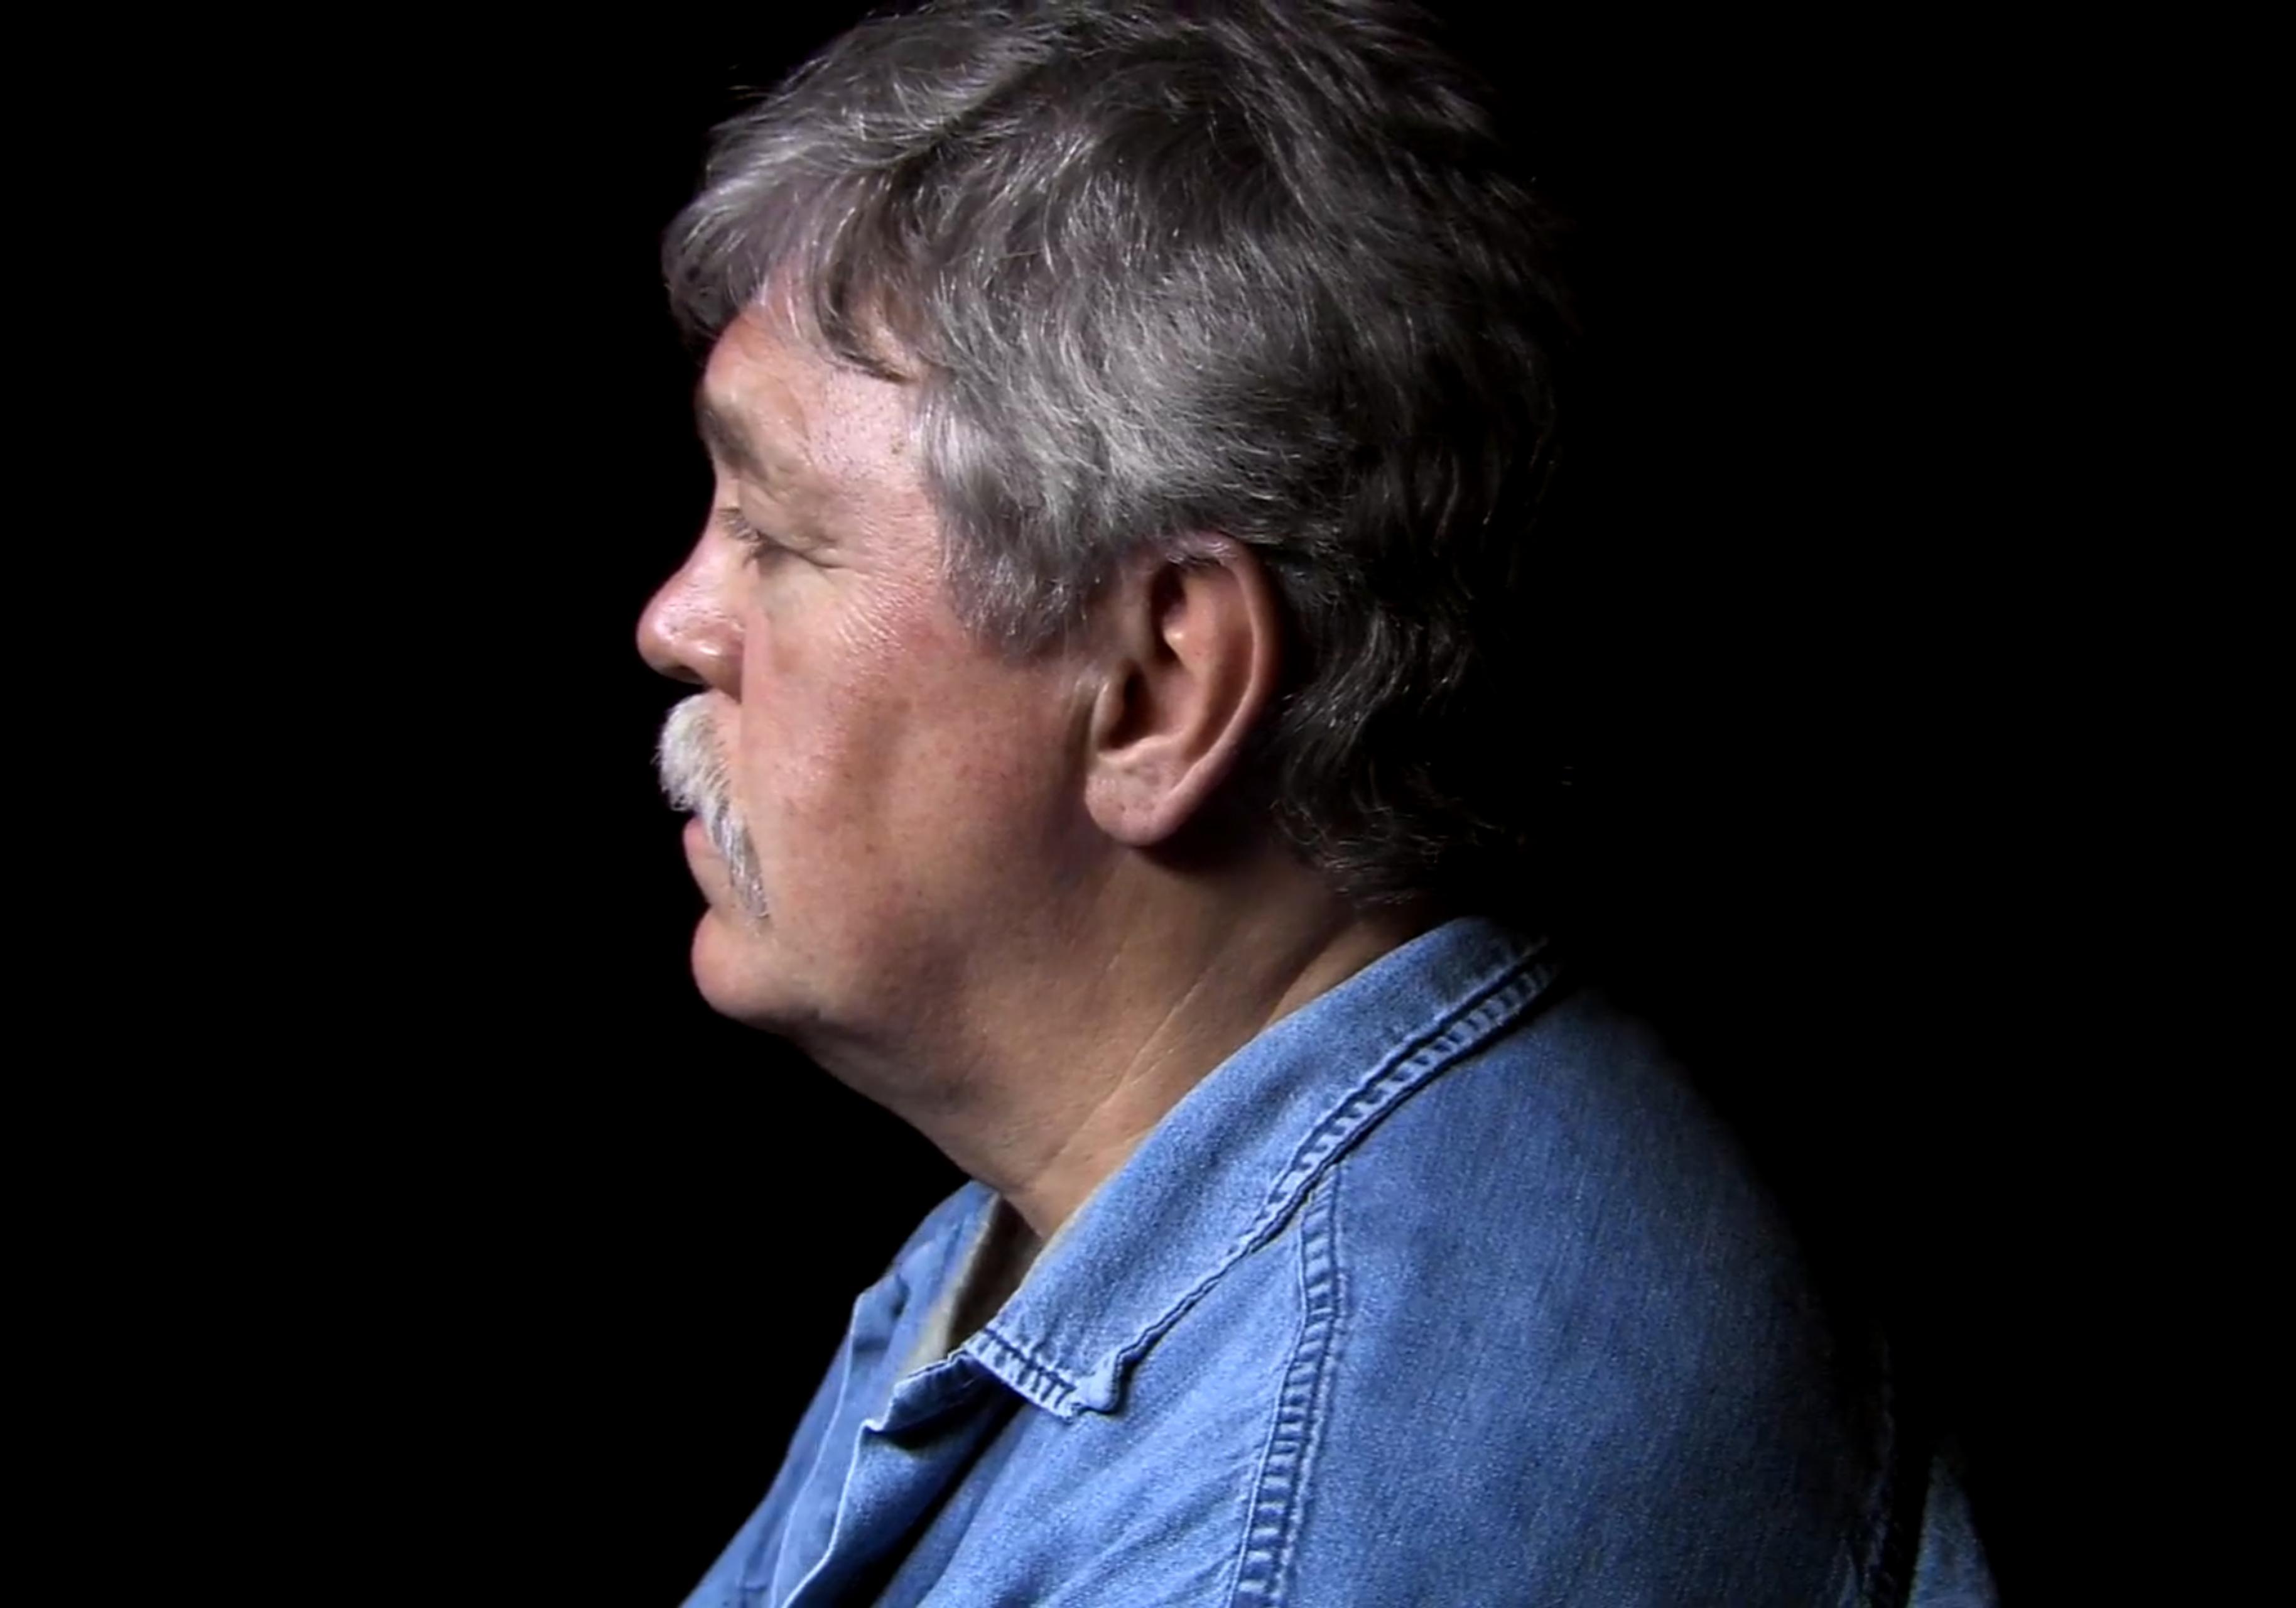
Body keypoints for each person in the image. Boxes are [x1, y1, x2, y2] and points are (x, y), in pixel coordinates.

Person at [636, 2, 1997, 1602]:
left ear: (1157, 688)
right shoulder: (1153, 1199)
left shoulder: (1292, 1529)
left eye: (777, 537)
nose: (676, 620)